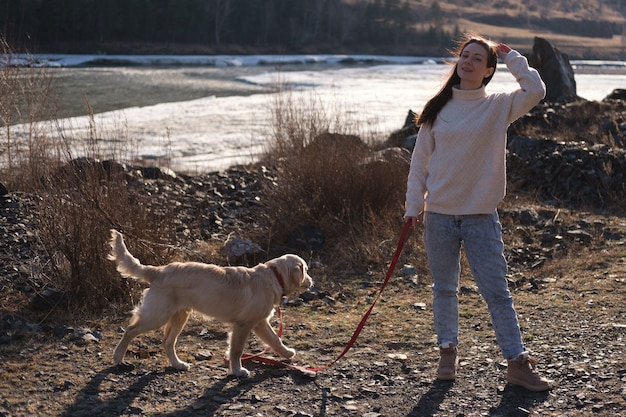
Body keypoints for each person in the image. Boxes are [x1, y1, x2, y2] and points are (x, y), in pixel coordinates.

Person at [404, 34, 553, 392]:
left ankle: (517, 363)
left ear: (488, 71)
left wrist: (511, 56)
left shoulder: (499, 106)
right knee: (444, 289)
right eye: (463, 55)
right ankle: (446, 354)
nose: (467, 61)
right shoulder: (437, 108)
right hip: (437, 215)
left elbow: (536, 90)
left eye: (476, 58)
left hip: (480, 217)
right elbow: (419, 163)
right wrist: (413, 206)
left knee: (497, 292)